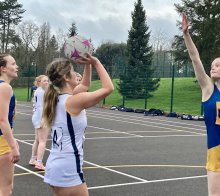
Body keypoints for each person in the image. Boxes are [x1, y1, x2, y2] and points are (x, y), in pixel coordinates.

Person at [42, 53, 114, 196]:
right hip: (67, 168)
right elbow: (108, 88)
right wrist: (96, 62)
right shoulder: (73, 101)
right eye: (73, 71)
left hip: (57, 164)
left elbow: (85, 85)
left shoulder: (58, 98)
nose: (76, 73)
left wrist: (87, 64)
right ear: (66, 77)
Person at [182, 13, 220, 195]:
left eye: (218, 65)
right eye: (212, 65)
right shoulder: (208, 89)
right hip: (216, 153)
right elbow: (195, 58)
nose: (213, 67)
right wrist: (186, 35)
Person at [0, 54, 20, 196]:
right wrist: (13, 146)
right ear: (3, 68)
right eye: (12, 64)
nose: (16, 66)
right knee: (6, 188)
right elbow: (2, 120)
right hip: (2, 143)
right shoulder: (5, 87)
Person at [29, 75, 49, 170]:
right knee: (42, 141)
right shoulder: (41, 92)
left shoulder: (38, 91)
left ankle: (33, 159)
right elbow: (41, 107)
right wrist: (43, 119)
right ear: (39, 82)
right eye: (44, 81)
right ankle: (39, 162)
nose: (46, 82)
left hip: (36, 117)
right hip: (40, 117)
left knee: (37, 139)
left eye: (47, 80)